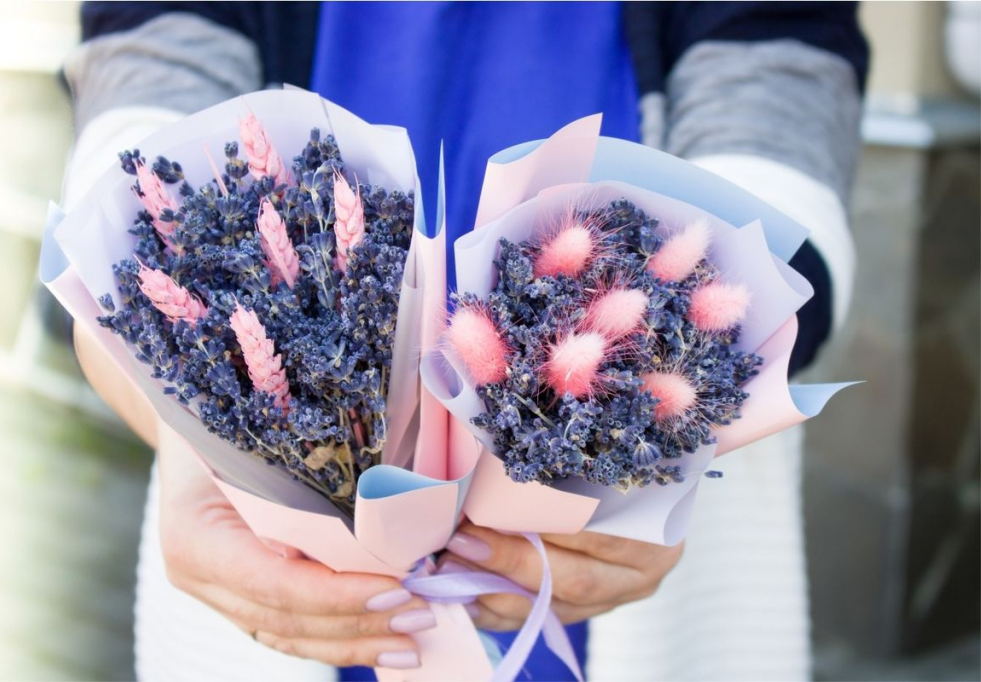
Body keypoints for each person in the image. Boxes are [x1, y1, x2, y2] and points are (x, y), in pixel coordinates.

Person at [62, 2, 867, 680]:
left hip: (630, 571)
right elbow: (145, 108)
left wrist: (666, 431)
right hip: (281, 579)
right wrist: (189, 431)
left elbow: (779, 85)